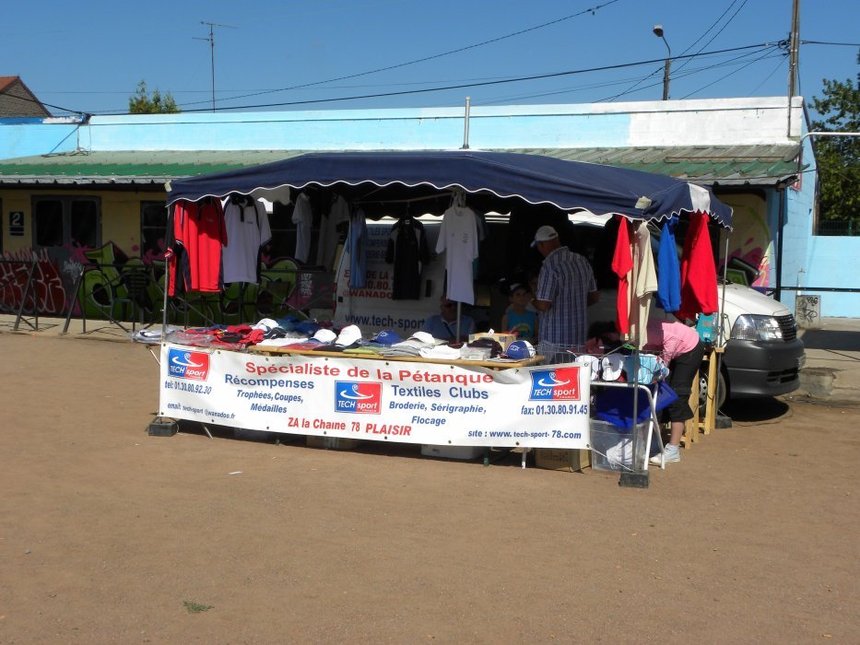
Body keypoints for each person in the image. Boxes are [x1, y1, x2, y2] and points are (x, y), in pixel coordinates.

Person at [530, 225, 599, 359]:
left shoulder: (549, 266)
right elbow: (594, 297)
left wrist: (532, 300)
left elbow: (544, 305)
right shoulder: (581, 260)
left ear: (541, 245)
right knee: (574, 372)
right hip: (578, 339)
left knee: (553, 372)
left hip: (554, 341)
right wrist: (575, 305)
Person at [644, 318, 705, 465]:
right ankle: (654, 442)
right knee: (659, 394)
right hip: (672, 348)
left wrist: (657, 374)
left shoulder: (660, 336)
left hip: (690, 347)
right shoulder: (636, 333)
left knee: (677, 395)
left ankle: (673, 449)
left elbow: (664, 363)